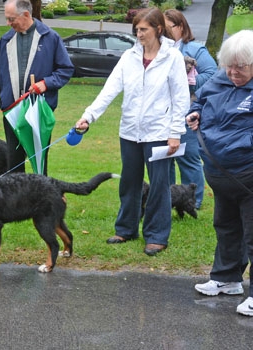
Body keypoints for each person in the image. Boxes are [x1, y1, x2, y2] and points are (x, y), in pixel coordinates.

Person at [74, 7, 190, 256]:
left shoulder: (173, 58)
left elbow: (181, 98)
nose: (139, 34)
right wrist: (88, 116)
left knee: (159, 186)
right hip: (129, 132)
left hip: (160, 132)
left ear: (158, 29)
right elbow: (109, 89)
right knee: (130, 183)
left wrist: (175, 133)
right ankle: (126, 229)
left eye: (144, 29)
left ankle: (157, 236)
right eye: (136, 29)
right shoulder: (128, 57)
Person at [187, 30, 253, 316]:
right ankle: (227, 279)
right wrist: (195, 112)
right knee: (225, 226)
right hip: (219, 174)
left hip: (248, 174)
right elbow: (199, 100)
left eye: (241, 66)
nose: (233, 72)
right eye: (230, 65)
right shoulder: (220, 79)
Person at [0, 0, 74, 175]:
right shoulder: (6, 40)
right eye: (7, 19)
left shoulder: (50, 37)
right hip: (12, 112)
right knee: (14, 164)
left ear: (26, 15)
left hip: (38, 112)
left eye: (11, 19)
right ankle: (18, 202)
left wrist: (46, 83)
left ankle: (44, 200)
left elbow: (65, 69)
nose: (8, 23)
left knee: (39, 164)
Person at [164, 9, 218, 209]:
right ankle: (167, 198)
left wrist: (190, 81)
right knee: (164, 157)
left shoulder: (195, 49)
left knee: (188, 158)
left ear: (180, 27)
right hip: (161, 114)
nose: (164, 33)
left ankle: (192, 201)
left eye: (168, 28)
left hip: (186, 113)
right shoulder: (157, 49)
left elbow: (213, 74)